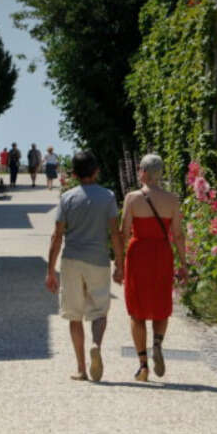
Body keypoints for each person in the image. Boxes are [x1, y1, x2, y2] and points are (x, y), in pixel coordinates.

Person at [45, 151, 124, 381]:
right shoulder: (108, 197)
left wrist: (50, 270)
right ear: (96, 171)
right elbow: (115, 233)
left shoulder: (67, 198)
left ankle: (81, 368)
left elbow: (57, 236)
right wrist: (119, 263)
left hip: (71, 261)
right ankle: (96, 344)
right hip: (98, 260)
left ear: (74, 174)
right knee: (99, 310)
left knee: (74, 315)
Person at [119, 154, 185, 381]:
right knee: (160, 302)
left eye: (140, 169)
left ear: (144, 172)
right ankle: (157, 343)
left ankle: (143, 365)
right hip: (162, 253)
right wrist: (184, 263)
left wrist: (119, 263)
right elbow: (178, 234)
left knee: (136, 310)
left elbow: (125, 230)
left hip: (139, 254)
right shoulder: (172, 199)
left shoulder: (132, 198)